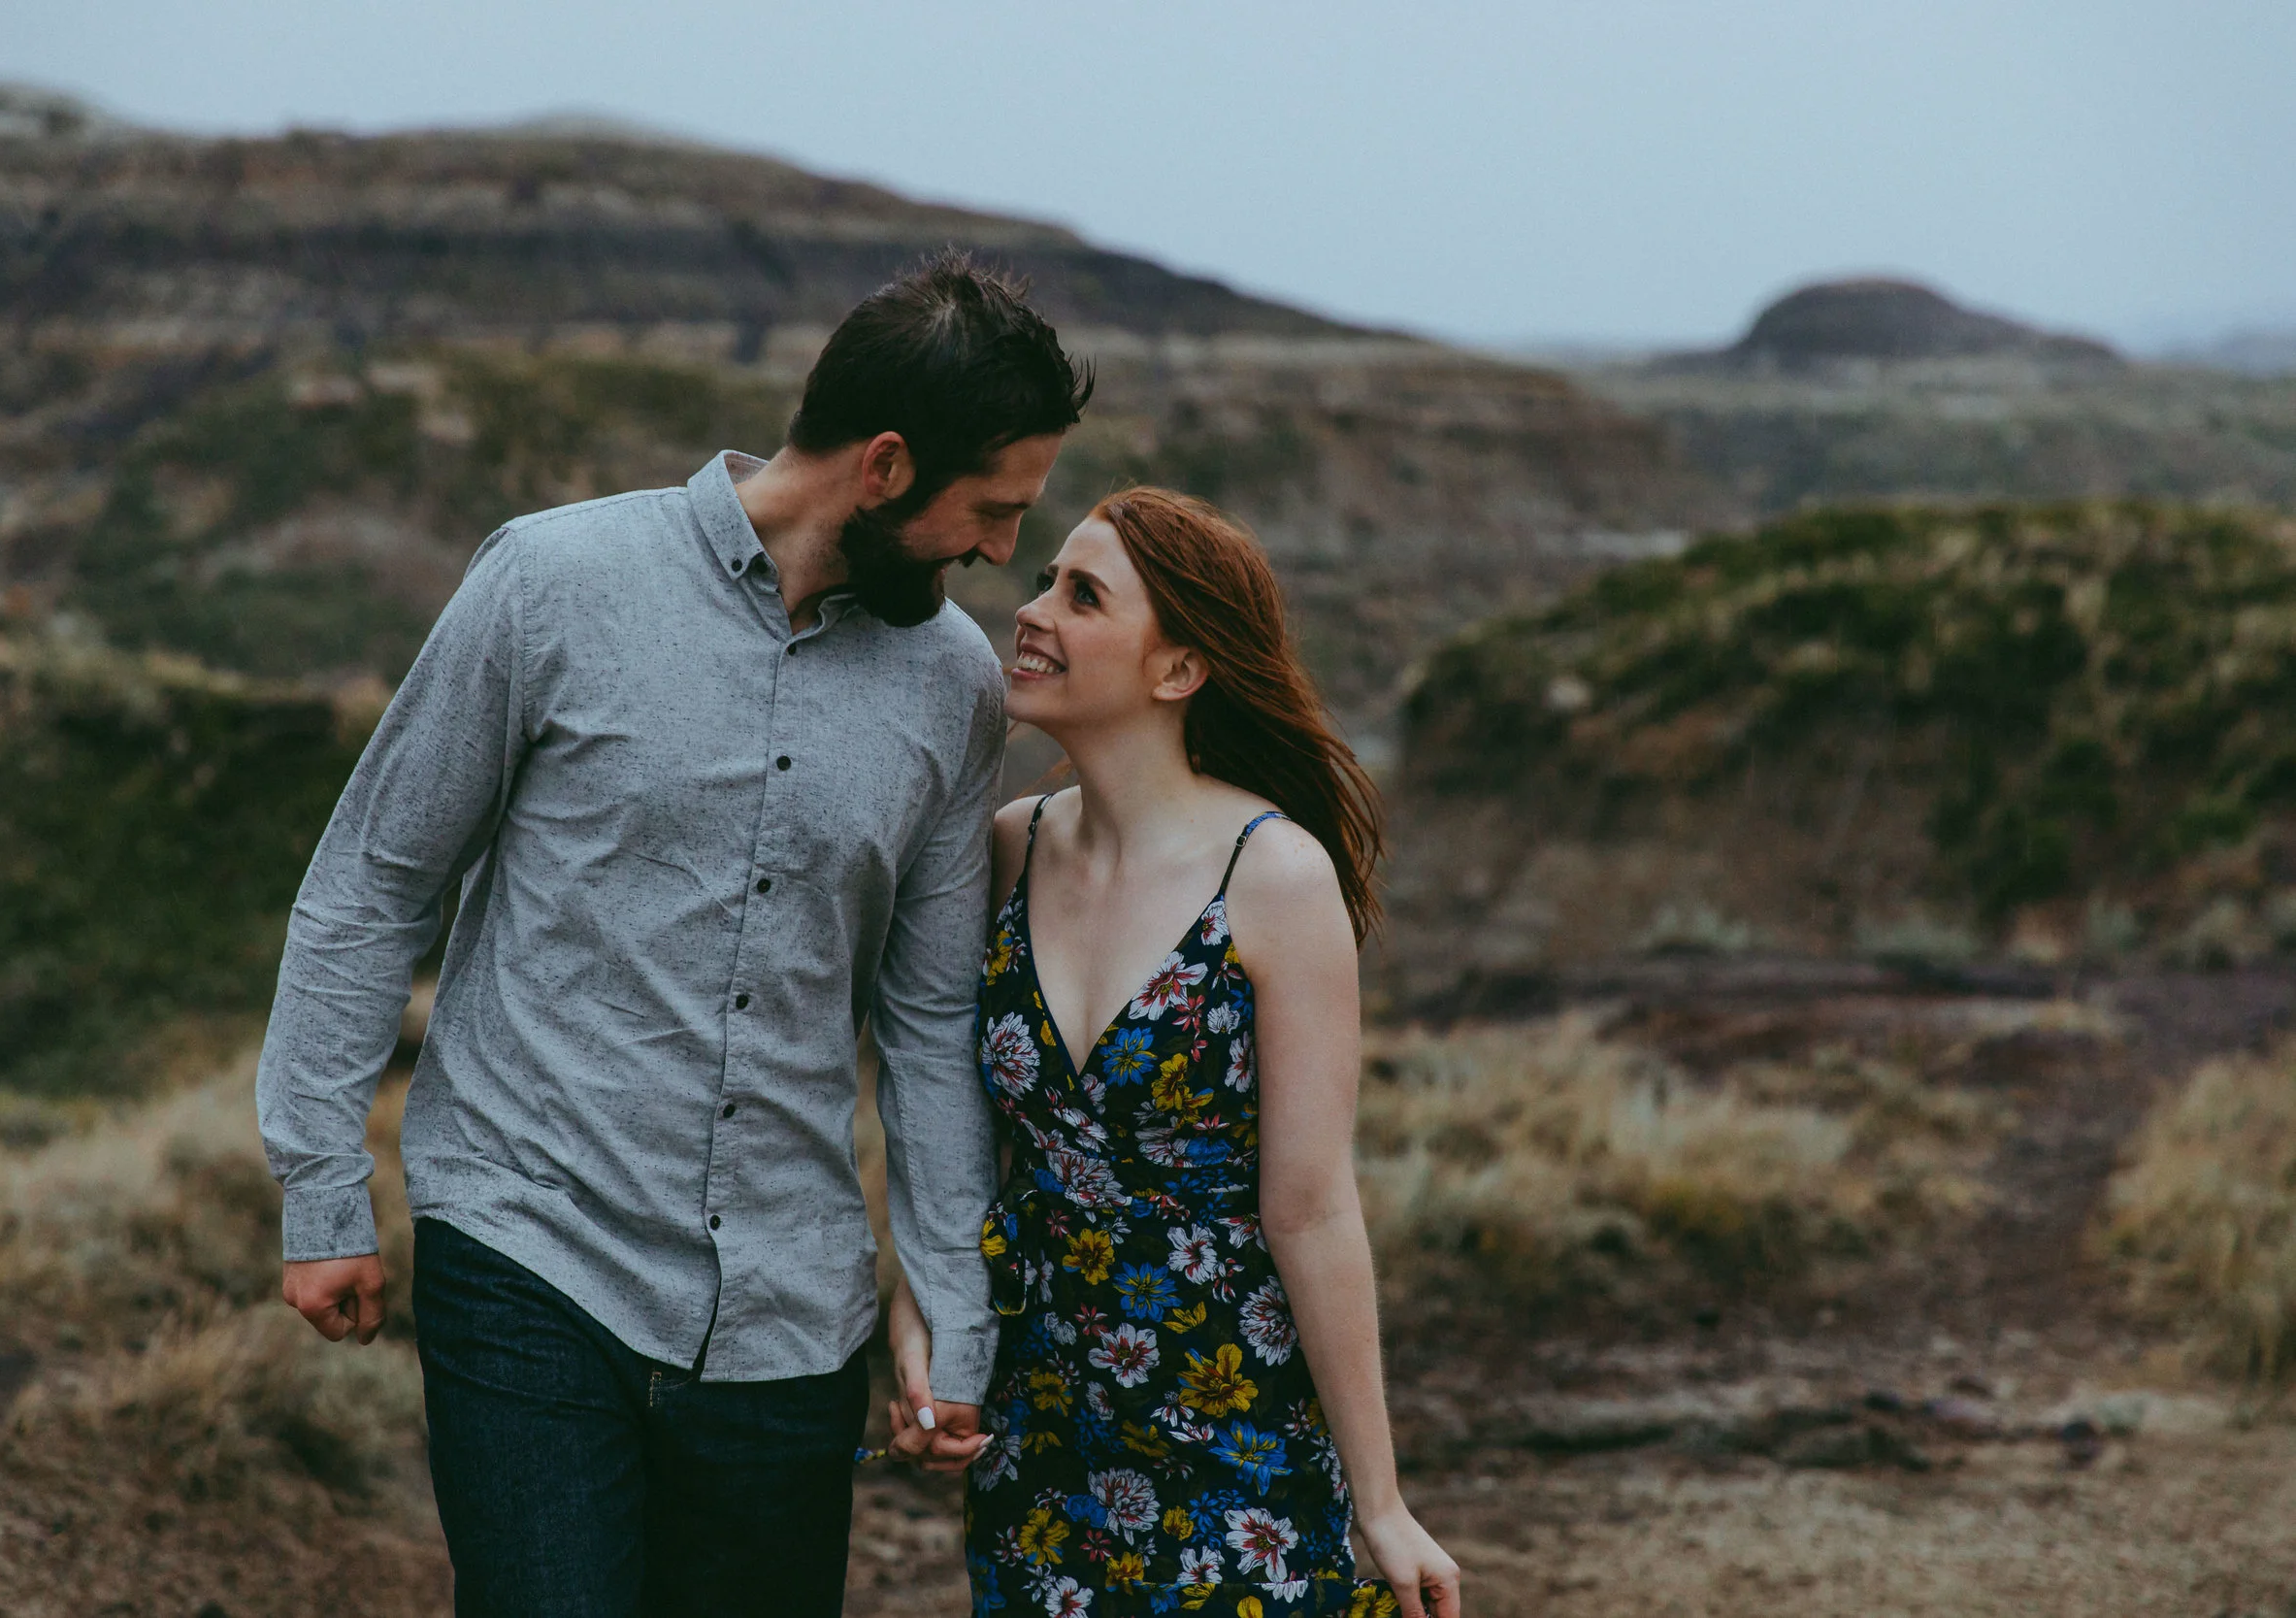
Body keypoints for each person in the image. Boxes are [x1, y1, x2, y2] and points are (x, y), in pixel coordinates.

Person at [255, 252, 1091, 1617]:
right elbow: (371, 880)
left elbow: (931, 1020)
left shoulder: (951, 687)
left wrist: (949, 1301)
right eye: (990, 509)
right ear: (884, 466)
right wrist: (320, 1187)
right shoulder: (550, 581)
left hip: (787, 1310)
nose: (1001, 552)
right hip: (529, 1241)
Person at [890, 487, 1463, 1615]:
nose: (1032, 611)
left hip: (1233, 1438)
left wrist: (1379, 1499)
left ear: (1178, 670)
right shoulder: (1010, 846)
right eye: (1048, 579)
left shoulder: (1274, 876)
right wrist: (925, 1321)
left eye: (1083, 595)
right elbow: (953, 1133)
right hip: (1039, 1436)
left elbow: (1309, 1207)